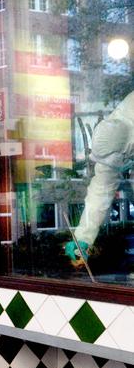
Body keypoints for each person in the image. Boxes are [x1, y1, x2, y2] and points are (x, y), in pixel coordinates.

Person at [65, 91, 134, 265]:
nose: (119, 165)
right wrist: (83, 237)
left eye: (122, 159)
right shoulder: (113, 134)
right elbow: (101, 190)